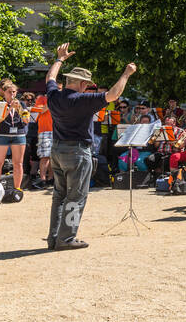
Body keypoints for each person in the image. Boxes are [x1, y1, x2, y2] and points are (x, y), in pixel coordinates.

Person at [44, 44, 135, 251]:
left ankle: (54, 237)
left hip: (57, 150)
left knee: (59, 194)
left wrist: (59, 59)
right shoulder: (83, 100)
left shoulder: (54, 96)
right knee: (76, 195)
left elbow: (49, 78)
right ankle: (66, 239)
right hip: (77, 152)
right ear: (83, 84)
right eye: (87, 84)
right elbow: (113, 95)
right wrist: (126, 74)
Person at [0, 79, 30, 191]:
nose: (12, 94)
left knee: (18, 163)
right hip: (2, 134)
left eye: (14, 92)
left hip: (18, 135)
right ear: (4, 93)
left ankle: (17, 188)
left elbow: (26, 121)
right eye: (10, 92)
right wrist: (10, 108)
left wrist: (19, 109)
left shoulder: (21, 104)